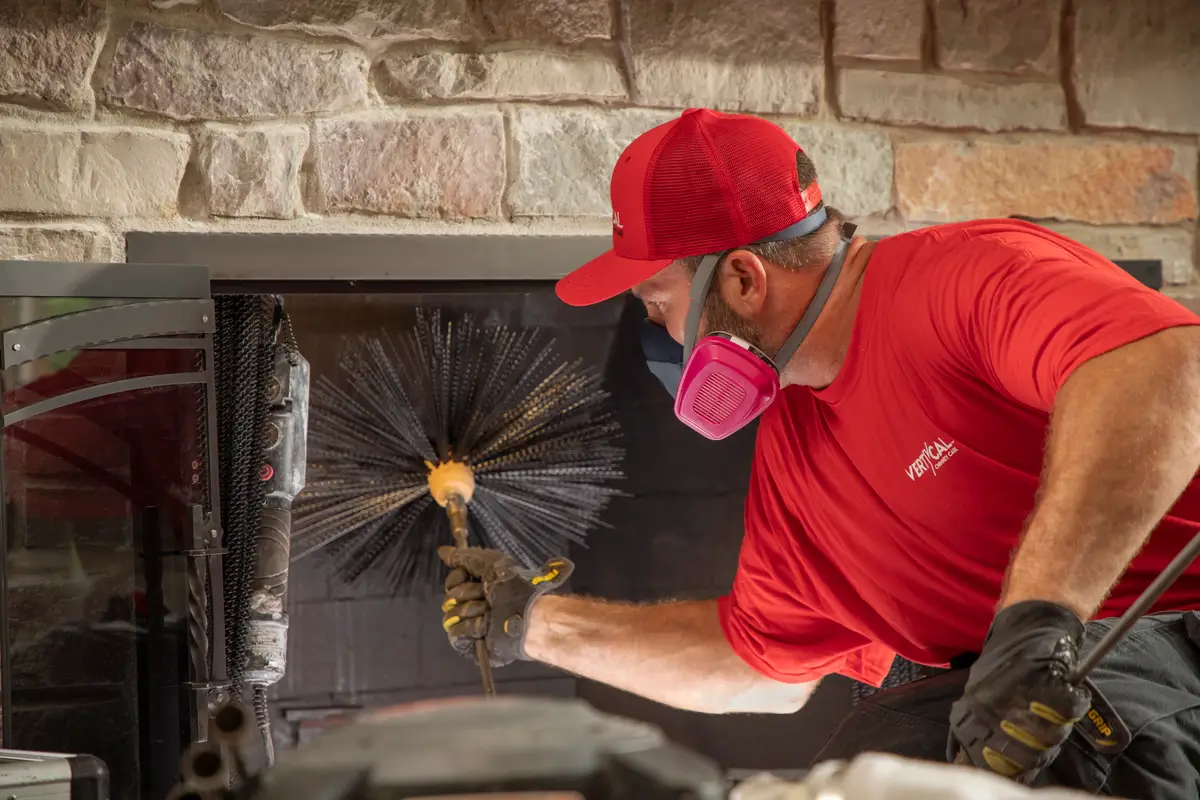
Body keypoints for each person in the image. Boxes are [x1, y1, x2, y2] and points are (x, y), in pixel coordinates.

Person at [437, 108, 1200, 796]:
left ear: (742, 279)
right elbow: (757, 665)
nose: (659, 339)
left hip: (1154, 644)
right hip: (1002, 688)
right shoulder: (797, 450)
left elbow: (1167, 367)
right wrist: (532, 622)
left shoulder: (960, 278)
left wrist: (1039, 621)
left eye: (656, 305)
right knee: (861, 773)